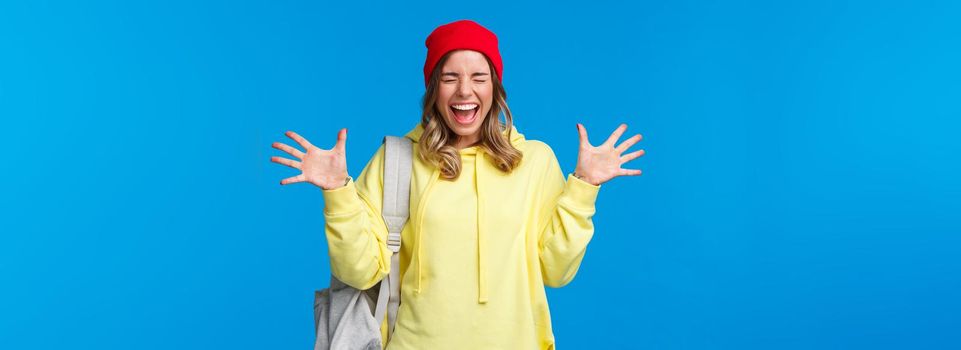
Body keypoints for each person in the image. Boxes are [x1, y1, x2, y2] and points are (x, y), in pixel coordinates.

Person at [270, 19, 644, 350]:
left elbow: (556, 271)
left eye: (479, 78)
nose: (465, 90)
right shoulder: (398, 160)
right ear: (434, 90)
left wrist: (584, 187)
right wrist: (338, 192)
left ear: (495, 89)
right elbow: (360, 270)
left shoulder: (536, 160)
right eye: (450, 78)